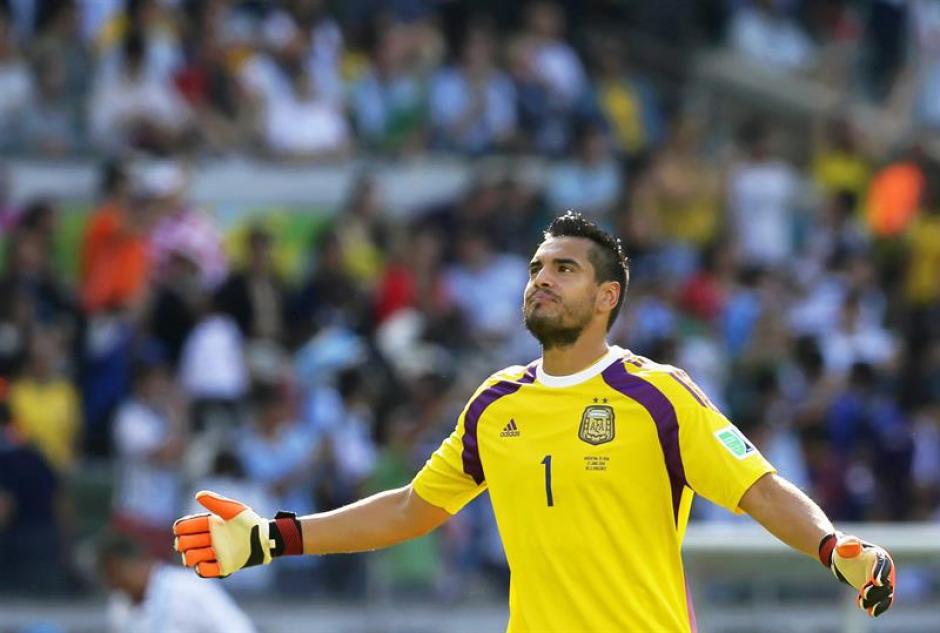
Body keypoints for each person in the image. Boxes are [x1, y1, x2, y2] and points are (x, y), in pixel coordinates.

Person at [175, 213, 896, 630]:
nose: (542, 279)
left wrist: (833, 546)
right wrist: (273, 536)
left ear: (607, 295)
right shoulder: (496, 403)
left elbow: (762, 488)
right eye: (536, 267)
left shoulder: (659, 396)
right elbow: (409, 509)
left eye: (564, 269)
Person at [98, 530, 256, 633]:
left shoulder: (189, 587)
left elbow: (239, 629)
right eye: (110, 578)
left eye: (118, 574)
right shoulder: (118, 605)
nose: (115, 583)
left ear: (139, 563)